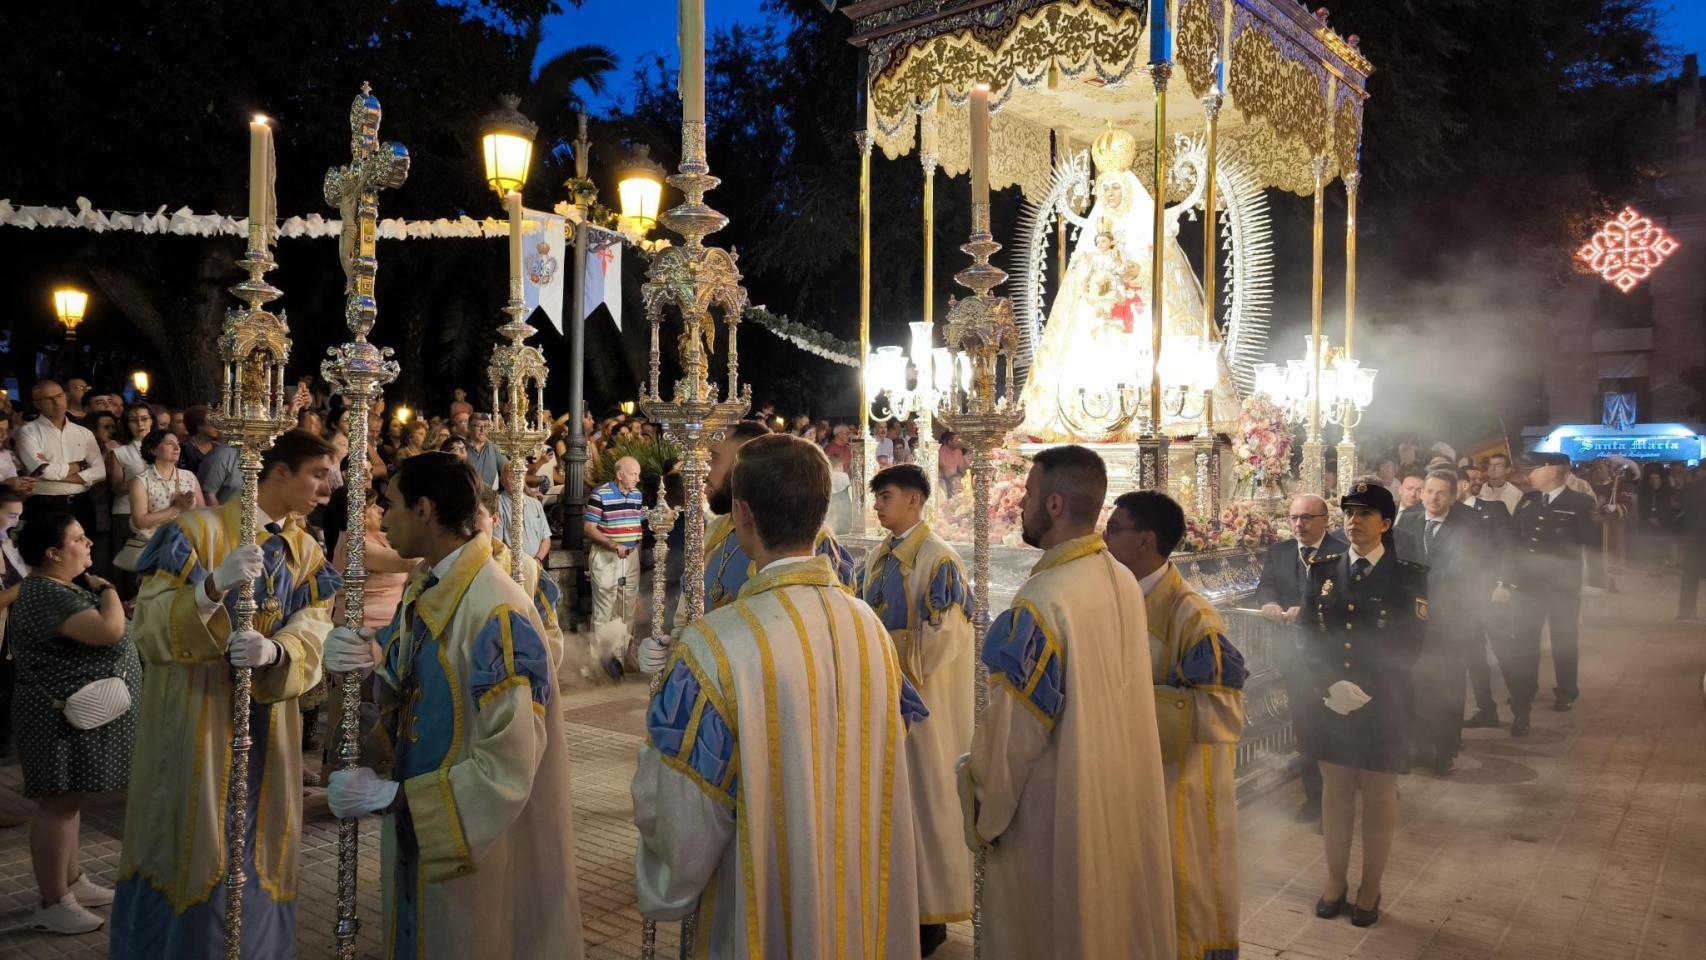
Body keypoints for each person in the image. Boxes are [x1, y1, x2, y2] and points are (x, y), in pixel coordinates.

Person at [632, 434, 924, 956]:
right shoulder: (870, 629)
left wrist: (663, 873)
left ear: (743, 514)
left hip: (759, 904)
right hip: (857, 900)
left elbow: (684, 818)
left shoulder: (716, 645)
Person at [324, 452, 582, 959]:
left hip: (475, 848)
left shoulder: (496, 610)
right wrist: (363, 670)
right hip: (423, 831)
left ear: (424, 509)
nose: (383, 519)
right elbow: (407, 689)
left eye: (391, 504)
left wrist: (394, 797)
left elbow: (510, 764)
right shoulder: (431, 587)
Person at [110, 430, 341, 958]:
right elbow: (148, 626)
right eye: (316, 474)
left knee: (262, 841)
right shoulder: (195, 530)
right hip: (196, 714)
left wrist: (277, 651)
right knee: (194, 839)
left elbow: (315, 624)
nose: (326, 488)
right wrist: (209, 589)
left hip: (269, 725)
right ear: (278, 472)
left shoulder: (305, 549)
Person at [961, 445, 1175, 959]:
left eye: (1029, 493)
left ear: (1054, 505)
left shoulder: (1044, 599)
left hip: (1057, 810)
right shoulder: (1121, 577)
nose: (1021, 504)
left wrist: (981, 798)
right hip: (1115, 795)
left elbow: (1015, 735)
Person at [1105, 490, 1245, 960]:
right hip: (1125, 775)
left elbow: (1225, 712)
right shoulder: (1111, 597)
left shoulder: (1194, 617)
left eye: (1114, 529)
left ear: (1146, 540)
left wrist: (1131, 706)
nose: (1104, 539)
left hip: (1177, 783)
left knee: (1182, 891)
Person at [858, 463, 972, 956]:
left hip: (925, 708)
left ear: (914, 500)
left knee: (925, 804)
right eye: (876, 497)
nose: (877, 506)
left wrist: (885, 650)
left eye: (885, 496)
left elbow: (944, 640)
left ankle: (930, 914)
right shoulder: (878, 556)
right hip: (883, 701)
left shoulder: (939, 559)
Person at [1303, 481, 1428, 929]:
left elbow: (1411, 642)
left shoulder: (1408, 575)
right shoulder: (1323, 569)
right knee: (1335, 793)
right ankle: (1335, 881)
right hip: (1331, 701)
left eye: (1365, 514)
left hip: (1384, 701)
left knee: (1378, 797)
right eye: (1349, 513)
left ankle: (1370, 887)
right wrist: (1328, 683)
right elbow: (1308, 634)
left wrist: (1366, 688)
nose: (1354, 522)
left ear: (1386, 523)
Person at [11, 510, 141, 933]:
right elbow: (108, 631)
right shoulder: (46, 591)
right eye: (78, 538)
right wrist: (109, 590)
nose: (88, 543)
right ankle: (54, 902)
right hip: (55, 720)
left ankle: (72, 881)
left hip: (67, 717)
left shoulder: (58, 586)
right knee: (57, 806)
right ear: (53, 552)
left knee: (69, 802)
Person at [644, 422, 855, 671]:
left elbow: (830, 635)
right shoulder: (715, 530)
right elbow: (688, 616)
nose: (704, 471)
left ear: (745, 463)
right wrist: (671, 651)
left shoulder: (808, 538)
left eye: (714, 458)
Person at [1395, 470, 1499, 773]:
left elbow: (1461, 570)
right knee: (1414, 682)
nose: (1434, 498)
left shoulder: (1469, 525)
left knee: (1447, 686)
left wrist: (1414, 583)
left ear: (1453, 496)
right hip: (1412, 619)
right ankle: (1415, 746)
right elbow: (1397, 559)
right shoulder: (1408, 520)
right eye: (1429, 491)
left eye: (1441, 493)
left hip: (1451, 618)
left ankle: (1444, 750)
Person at [1493, 452, 1601, 734]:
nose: (1529, 474)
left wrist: (1596, 581)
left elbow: (1593, 544)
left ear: (1552, 471)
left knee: (1564, 640)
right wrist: (1505, 581)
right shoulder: (1528, 500)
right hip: (1527, 586)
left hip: (1561, 587)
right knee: (1524, 642)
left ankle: (1566, 690)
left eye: (1535, 469)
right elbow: (1513, 543)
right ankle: (1524, 693)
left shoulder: (1580, 503)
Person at [1254, 494, 1345, 822]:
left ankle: (1341, 796)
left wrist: (1306, 610)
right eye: (1294, 517)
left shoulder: (1342, 552)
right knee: (1306, 728)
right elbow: (1265, 587)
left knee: (1336, 729)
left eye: (1307, 517)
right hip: (1295, 656)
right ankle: (1315, 798)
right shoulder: (1280, 552)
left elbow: (1344, 598)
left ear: (1325, 520)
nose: (1299, 524)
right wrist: (1269, 603)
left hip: (1333, 656)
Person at [17, 379, 106, 534]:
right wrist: (81, 465)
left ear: (65, 397)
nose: (56, 402)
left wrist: (50, 474)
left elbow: (100, 472)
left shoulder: (83, 433)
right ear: (37, 404)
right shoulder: (28, 432)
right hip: (46, 503)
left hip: (82, 502)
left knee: (86, 547)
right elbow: (43, 471)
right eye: (48, 398)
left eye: (59, 396)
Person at [584, 456, 643, 678]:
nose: (637, 479)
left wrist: (636, 555)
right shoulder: (600, 494)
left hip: (630, 558)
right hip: (606, 557)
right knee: (604, 610)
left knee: (626, 608)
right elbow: (589, 528)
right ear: (620, 475)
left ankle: (618, 661)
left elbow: (637, 527)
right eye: (634, 474)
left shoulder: (637, 495)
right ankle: (600, 663)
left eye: (638, 474)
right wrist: (613, 544)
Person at [113, 429, 203, 573]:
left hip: (186, 548)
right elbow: (140, 521)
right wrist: (176, 509)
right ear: (154, 450)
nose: (177, 447)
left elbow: (202, 512)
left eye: (177, 443)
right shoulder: (141, 481)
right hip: (153, 551)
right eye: (169, 443)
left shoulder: (189, 477)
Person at [0, 489, 28, 771]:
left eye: (18, 516)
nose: (15, 522)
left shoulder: (8, 544)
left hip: (12, 632)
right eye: (10, 515)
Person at [465, 415, 508, 489]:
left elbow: (509, 470)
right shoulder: (462, 447)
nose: (483, 430)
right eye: (478, 426)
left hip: (488, 494)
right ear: (469, 427)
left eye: (486, 426)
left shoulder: (494, 447)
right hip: (467, 493)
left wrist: (525, 490)